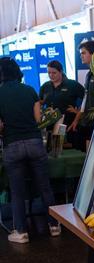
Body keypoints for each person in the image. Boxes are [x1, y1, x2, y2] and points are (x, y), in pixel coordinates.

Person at [0, 58, 60, 243]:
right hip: (35, 143)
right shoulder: (30, 90)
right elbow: (37, 118)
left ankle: (21, 231)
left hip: (12, 145)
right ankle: (54, 225)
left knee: (17, 192)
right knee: (44, 187)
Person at [39, 60, 85, 144]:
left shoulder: (72, 85)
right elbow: (40, 102)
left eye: (54, 73)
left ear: (61, 71)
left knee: (60, 147)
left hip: (66, 123)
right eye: (49, 73)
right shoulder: (45, 86)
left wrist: (78, 112)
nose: (51, 75)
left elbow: (86, 99)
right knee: (51, 147)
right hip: (49, 123)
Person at [71, 40, 94, 151]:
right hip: (88, 120)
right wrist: (77, 119)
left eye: (83, 53)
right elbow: (85, 99)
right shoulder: (89, 74)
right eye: (81, 53)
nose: (81, 56)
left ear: (93, 54)